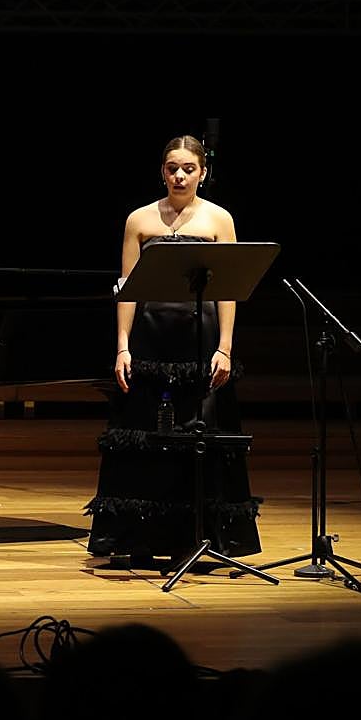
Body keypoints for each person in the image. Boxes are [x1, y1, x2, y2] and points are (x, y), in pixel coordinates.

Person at [84, 135, 261, 565]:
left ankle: (200, 537)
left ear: (203, 172)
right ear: (161, 171)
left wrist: (225, 348)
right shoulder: (139, 220)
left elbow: (229, 293)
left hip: (199, 341)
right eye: (171, 168)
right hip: (149, 338)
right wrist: (122, 348)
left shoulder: (220, 220)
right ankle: (139, 538)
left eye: (187, 168)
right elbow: (126, 290)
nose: (178, 176)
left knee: (197, 435)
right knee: (146, 437)